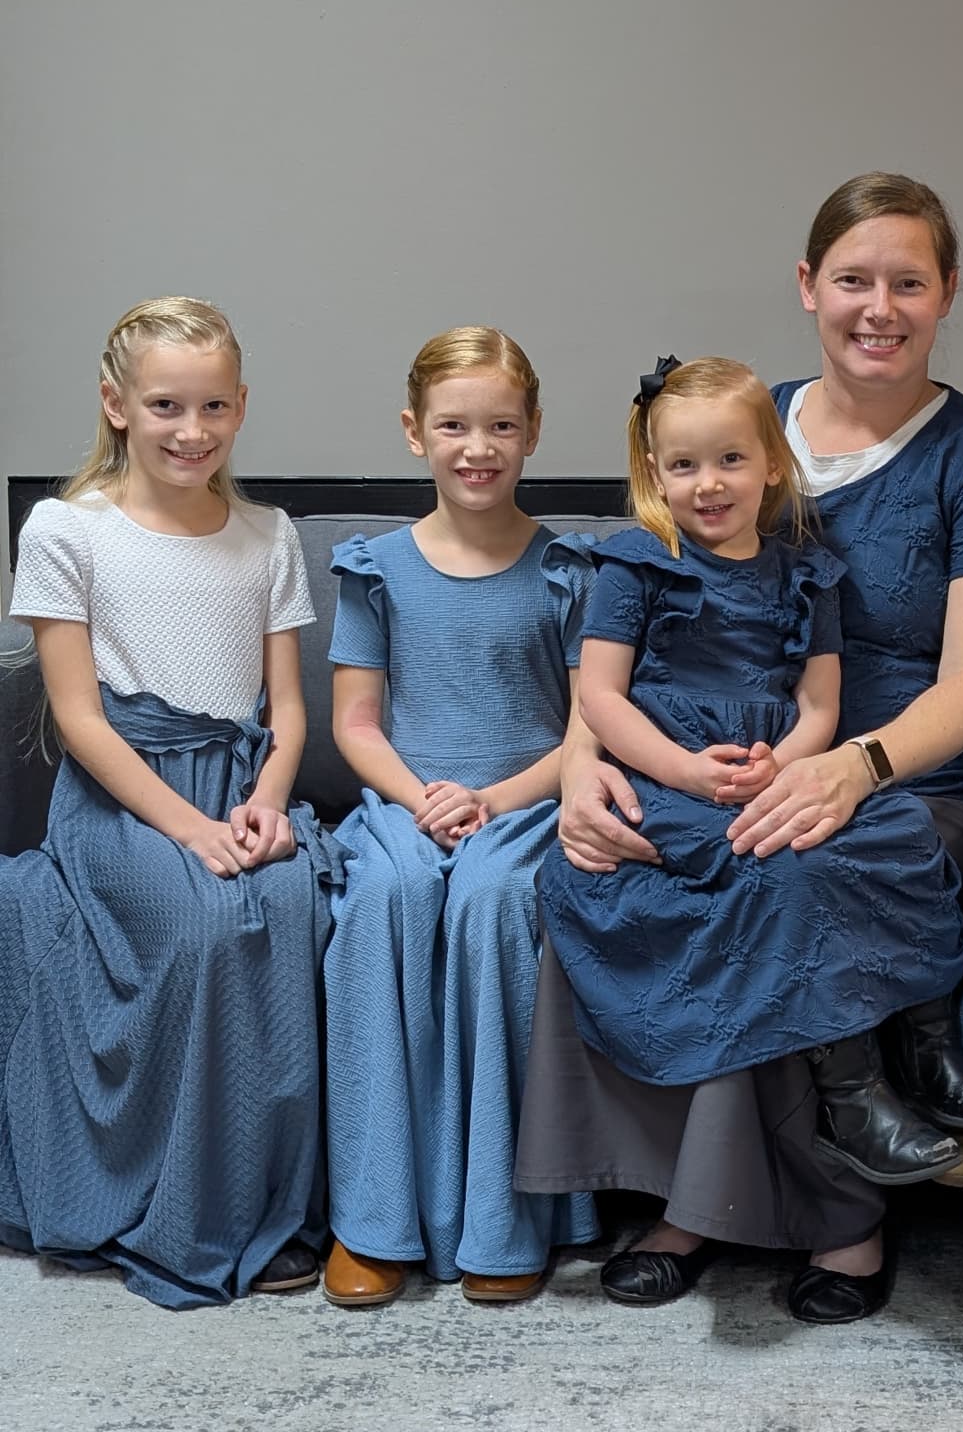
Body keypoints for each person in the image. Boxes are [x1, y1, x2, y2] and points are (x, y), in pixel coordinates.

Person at [518, 173, 963, 1325]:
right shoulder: (733, 425)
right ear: (808, 286)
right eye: (853, 279)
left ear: (946, 293)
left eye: (907, 283)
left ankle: (836, 1219)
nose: (879, 308)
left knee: (781, 868)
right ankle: (688, 1199)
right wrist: (581, 768)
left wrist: (850, 766)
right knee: (636, 863)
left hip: (918, 777)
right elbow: (630, 624)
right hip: (720, 762)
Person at [538, 355, 963, 1198]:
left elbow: (819, 702)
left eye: (730, 459)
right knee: (782, 868)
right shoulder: (636, 564)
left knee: (898, 836)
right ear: (654, 474)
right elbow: (600, 698)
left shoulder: (805, 572)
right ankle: (851, 1095)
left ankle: (929, 1048)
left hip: (776, 766)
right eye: (684, 465)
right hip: (668, 775)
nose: (709, 484)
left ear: (772, 465)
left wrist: (784, 764)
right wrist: (683, 768)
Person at [0, 297, 340, 1308]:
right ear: (117, 405)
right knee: (206, 925)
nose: (192, 430)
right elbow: (82, 720)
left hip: (239, 785)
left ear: (241, 406)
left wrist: (267, 803)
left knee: (292, 905)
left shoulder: (268, 534)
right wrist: (189, 829)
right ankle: (184, 1207)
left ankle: (274, 1207)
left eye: (213, 407)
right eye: (165, 406)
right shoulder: (66, 529)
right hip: (123, 801)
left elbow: (286, 710)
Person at [320, 327, 599, 1307]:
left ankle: (504, 1218)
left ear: (532, 432)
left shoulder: (569, 570)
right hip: (406, 802)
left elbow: (588, 730)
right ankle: (372, 1220)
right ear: (414, 432)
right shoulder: (376, 568)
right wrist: (421, 799)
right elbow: (355, 722)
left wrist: (493, 799)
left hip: (525, 806)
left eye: (500, 427)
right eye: (452, 427)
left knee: (491, 906)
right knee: (384, 900)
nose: (477, 448)